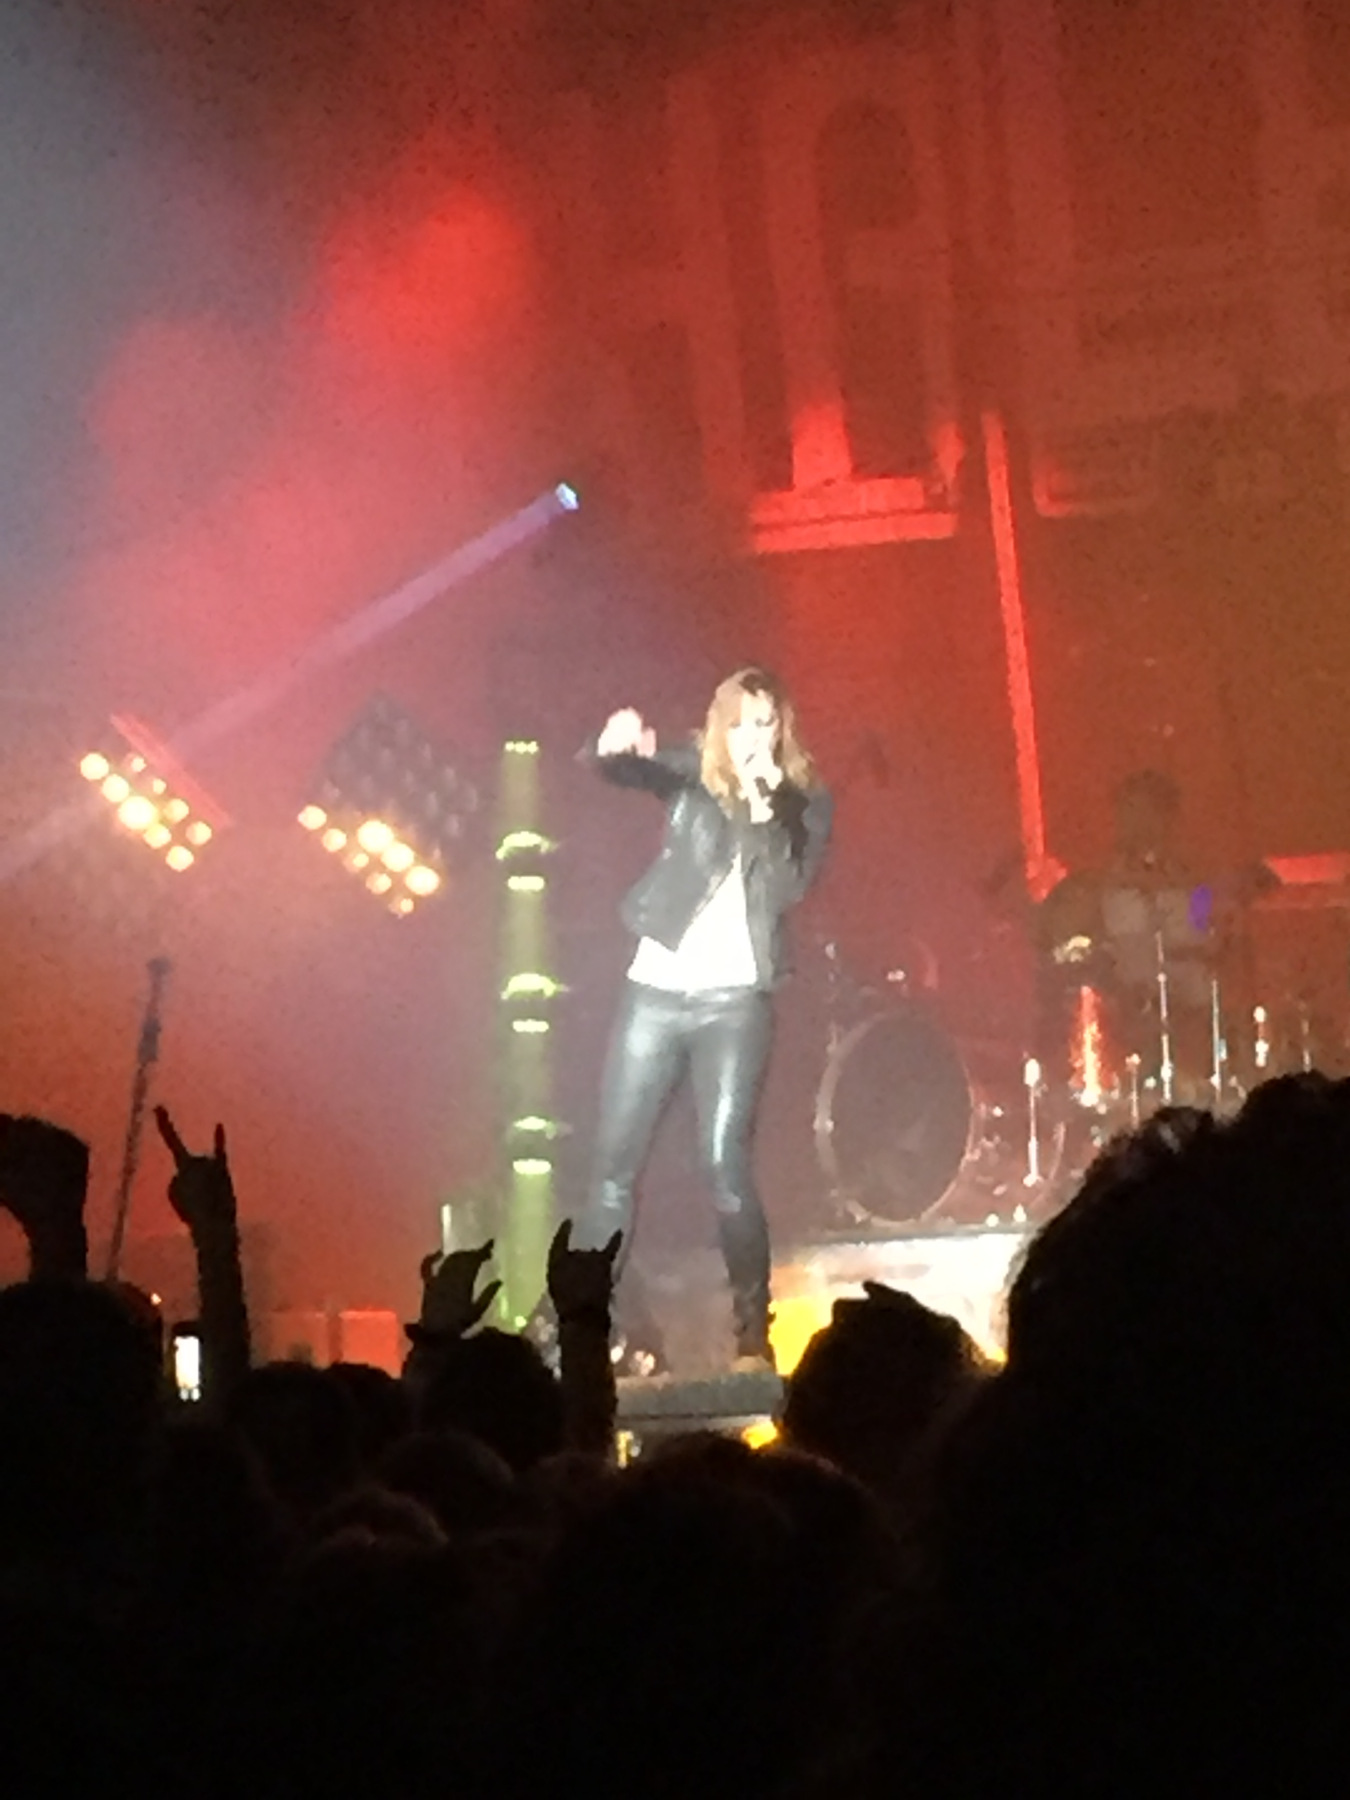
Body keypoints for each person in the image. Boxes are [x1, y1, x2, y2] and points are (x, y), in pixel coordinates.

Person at [572, 667, 832, 1371]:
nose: (752, 737)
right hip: (655, 991)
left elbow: (789, 886)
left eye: (765, 723)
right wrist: (610, 744)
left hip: (733, 1003)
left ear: (781, 729)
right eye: (740, 722)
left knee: (724, 1166)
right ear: (722, 725)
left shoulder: (805, 802)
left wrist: (767, 802)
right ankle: (588, 1330)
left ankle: (752, 1335)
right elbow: (626, 768)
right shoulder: (694, 771)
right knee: (612, 1171)